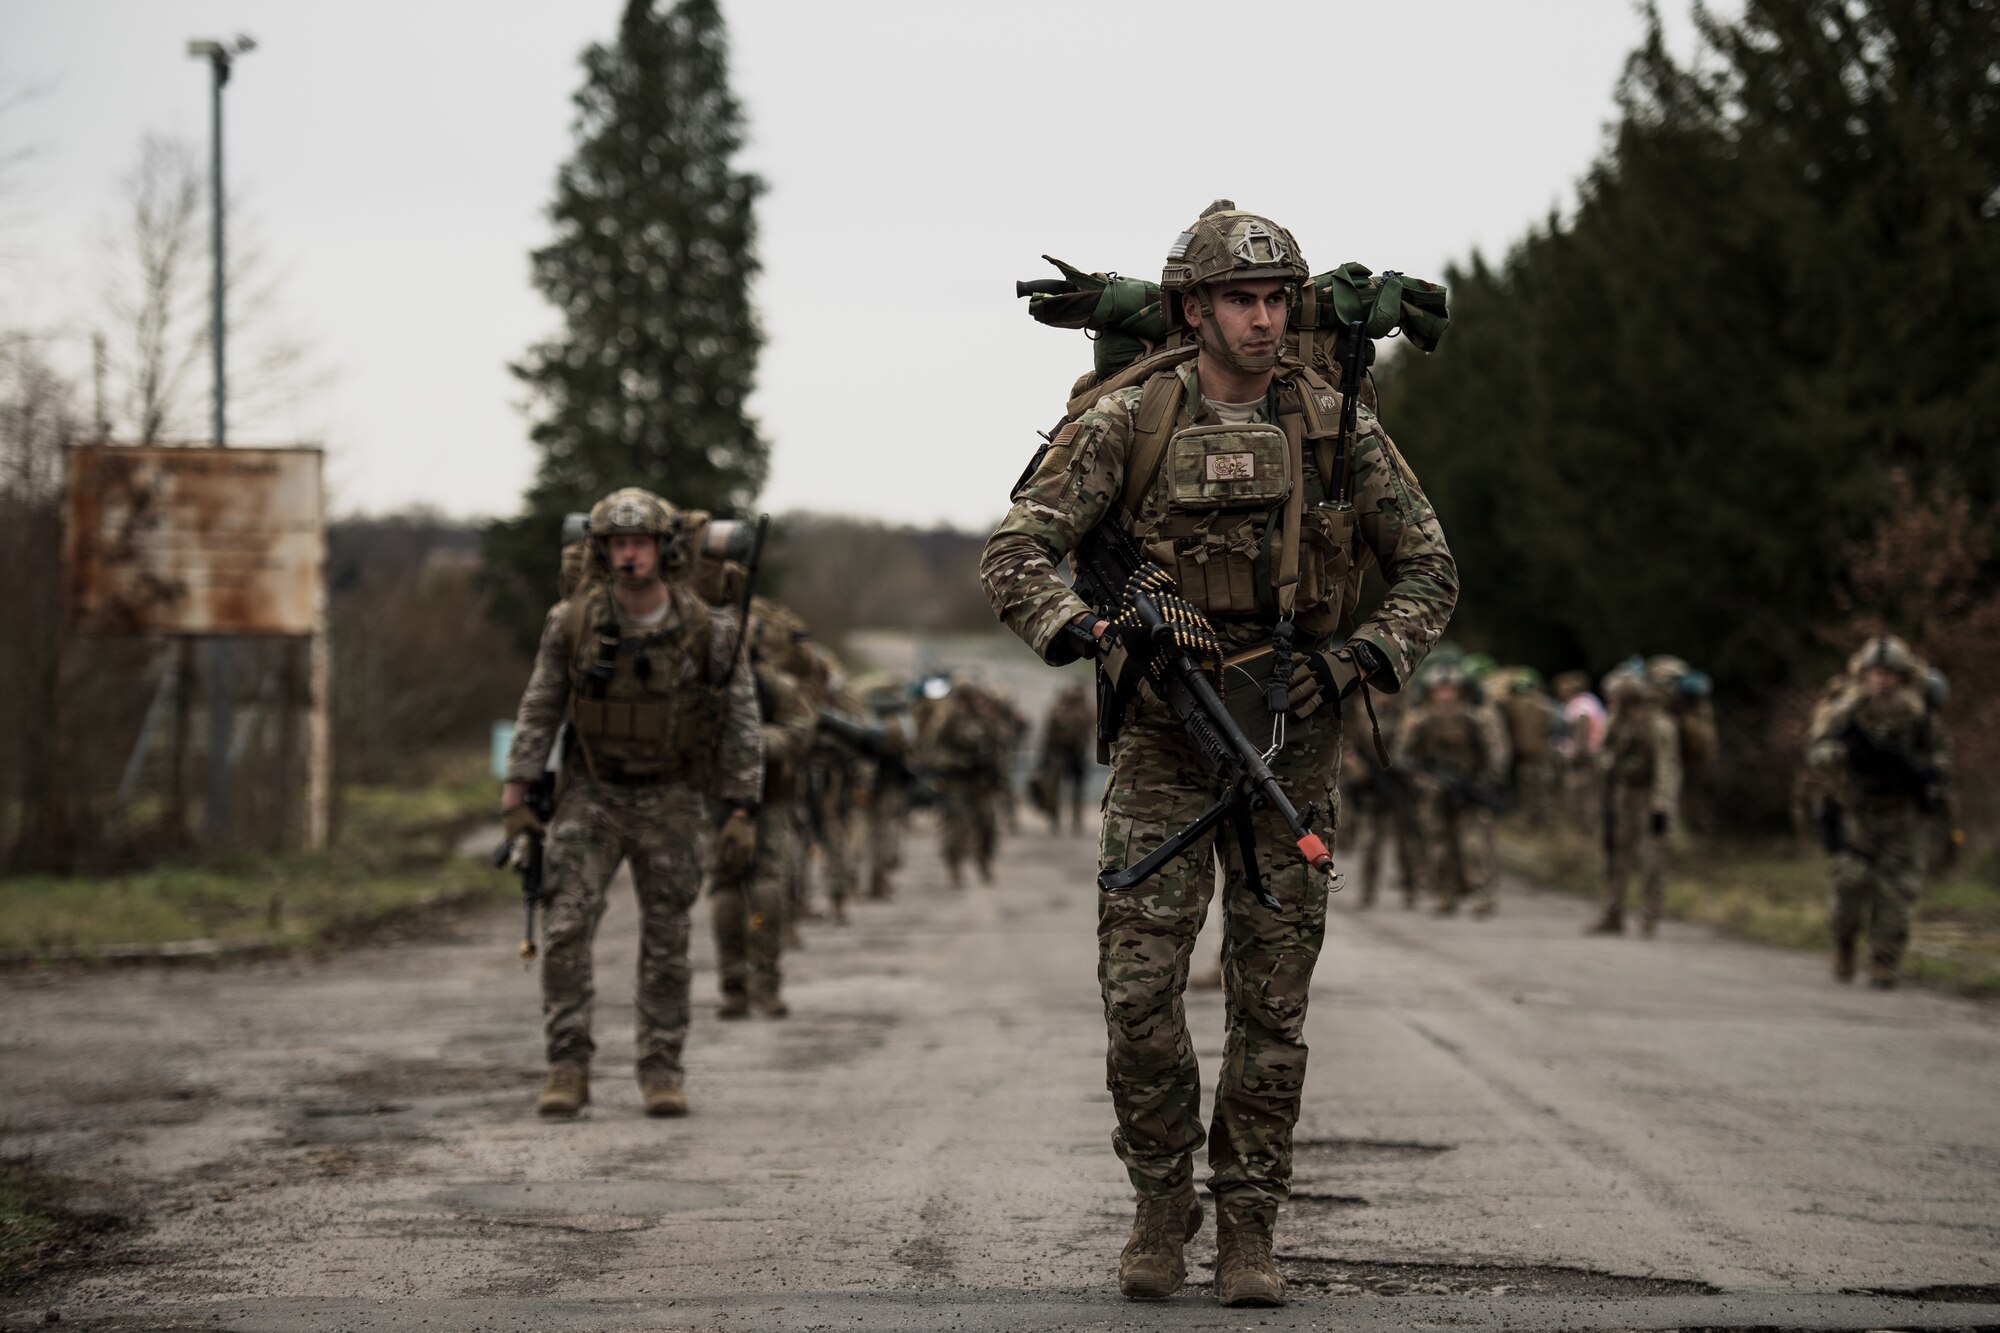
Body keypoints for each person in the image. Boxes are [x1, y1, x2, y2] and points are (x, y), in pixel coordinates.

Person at [981, 203, 1456, 1307]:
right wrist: (1093, 634)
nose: (1260, 316)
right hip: (1163, 737)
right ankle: (1159, 1201)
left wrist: (1356, 662)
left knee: (1270, 1005)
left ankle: (1248, 1224)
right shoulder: (1134, 420)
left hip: (1291, 741)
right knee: (1137, 993)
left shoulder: (1334, 427)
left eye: (1275, 298)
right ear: (1191, 309)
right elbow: (1017, 549)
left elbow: (1428, 565)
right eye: (1239, 298)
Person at [501, 488, 763, 1119]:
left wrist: (740, 809)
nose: (628, 557)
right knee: (564, 931)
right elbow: (540, 706)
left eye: (639, 545)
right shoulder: (572, 622)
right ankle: (567, 1066)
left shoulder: (710, 629)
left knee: (668, 940)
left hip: (672, 796)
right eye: (617, 545)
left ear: (665, 551)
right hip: (593, 792)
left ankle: (662, 1070)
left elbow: (740, 719)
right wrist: (517, 794)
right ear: (600, 552)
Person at [1806, 635, 1951, 987]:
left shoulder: (1917, 711)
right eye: (1875, 672)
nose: (1881, 679)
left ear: (1900, 675)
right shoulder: (1848, 708)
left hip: (1901, 812)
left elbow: (1940, 754)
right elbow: (1817, 750)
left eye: (1888, 673)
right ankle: (1844, 944)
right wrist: (1844, 755)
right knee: (1850, 882)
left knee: (1897, 891)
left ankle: (1884, 960)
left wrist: (1929, 775)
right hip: (1856, 809)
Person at [709, 605, 816, 1020]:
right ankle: (734, 986)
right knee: (726, 890)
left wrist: (753, 741)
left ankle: (764, 985)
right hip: (718, 801)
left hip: (770, 799)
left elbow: (800, 731)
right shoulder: (706, 685)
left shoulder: (773, 684)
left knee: (767, 891)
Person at [1398, 667, 1505, 917]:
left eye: (1450, 690)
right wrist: (1424, 782)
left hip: (1467, 791)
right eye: (1440, 690)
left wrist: (1483, 782)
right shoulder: (1421, 720)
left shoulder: (1473, 719)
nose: (1445, 695)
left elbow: (1491, 754)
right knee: (1438, 848)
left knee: (1474, 845)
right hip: (1434, 795)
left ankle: (1483, 895)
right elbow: (1405, 758)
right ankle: (1445, 895)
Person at [1587, 664, 1680, 937]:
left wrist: (1662, 806)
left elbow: (1668, 767)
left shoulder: (1659, 724)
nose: (1612, 703)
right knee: (1616, 857)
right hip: (1624, 795)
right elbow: (1604, 752)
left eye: (1616, 698)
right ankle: (1612, 914)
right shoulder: (1619, 722)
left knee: (1653, 860)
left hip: (1651, 797)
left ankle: (1650, 916)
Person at [916, 678, 1002, 887]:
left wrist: (996, 773)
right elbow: (931, 752)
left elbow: (997, 747)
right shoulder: (946, 719)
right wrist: (959, 762)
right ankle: (954, 868)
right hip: (956, 782)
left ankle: (984, 862)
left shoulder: (985, 719)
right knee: (955, 828)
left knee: (987, 824)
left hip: (981, 783)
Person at [1552, 670, 1607, 835]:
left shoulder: (1579, 705)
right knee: (1591, 793)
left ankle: (1583, 831)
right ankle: (1588, 829)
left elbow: (1582, 730)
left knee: (1581, 793)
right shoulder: (1590, 701)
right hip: (1594, 752)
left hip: (1585, 755)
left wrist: (1576, 754)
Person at [1036, 682, 1095, 834]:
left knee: (1077, 790)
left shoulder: (1085, 712)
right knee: (1054, 789)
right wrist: (1045, 757)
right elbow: (1048, 735)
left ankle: (1076, 819)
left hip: (1077, 754)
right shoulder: (1057, 712)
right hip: (1059, 754)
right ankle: (1055, 819)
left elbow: (1092, 730)